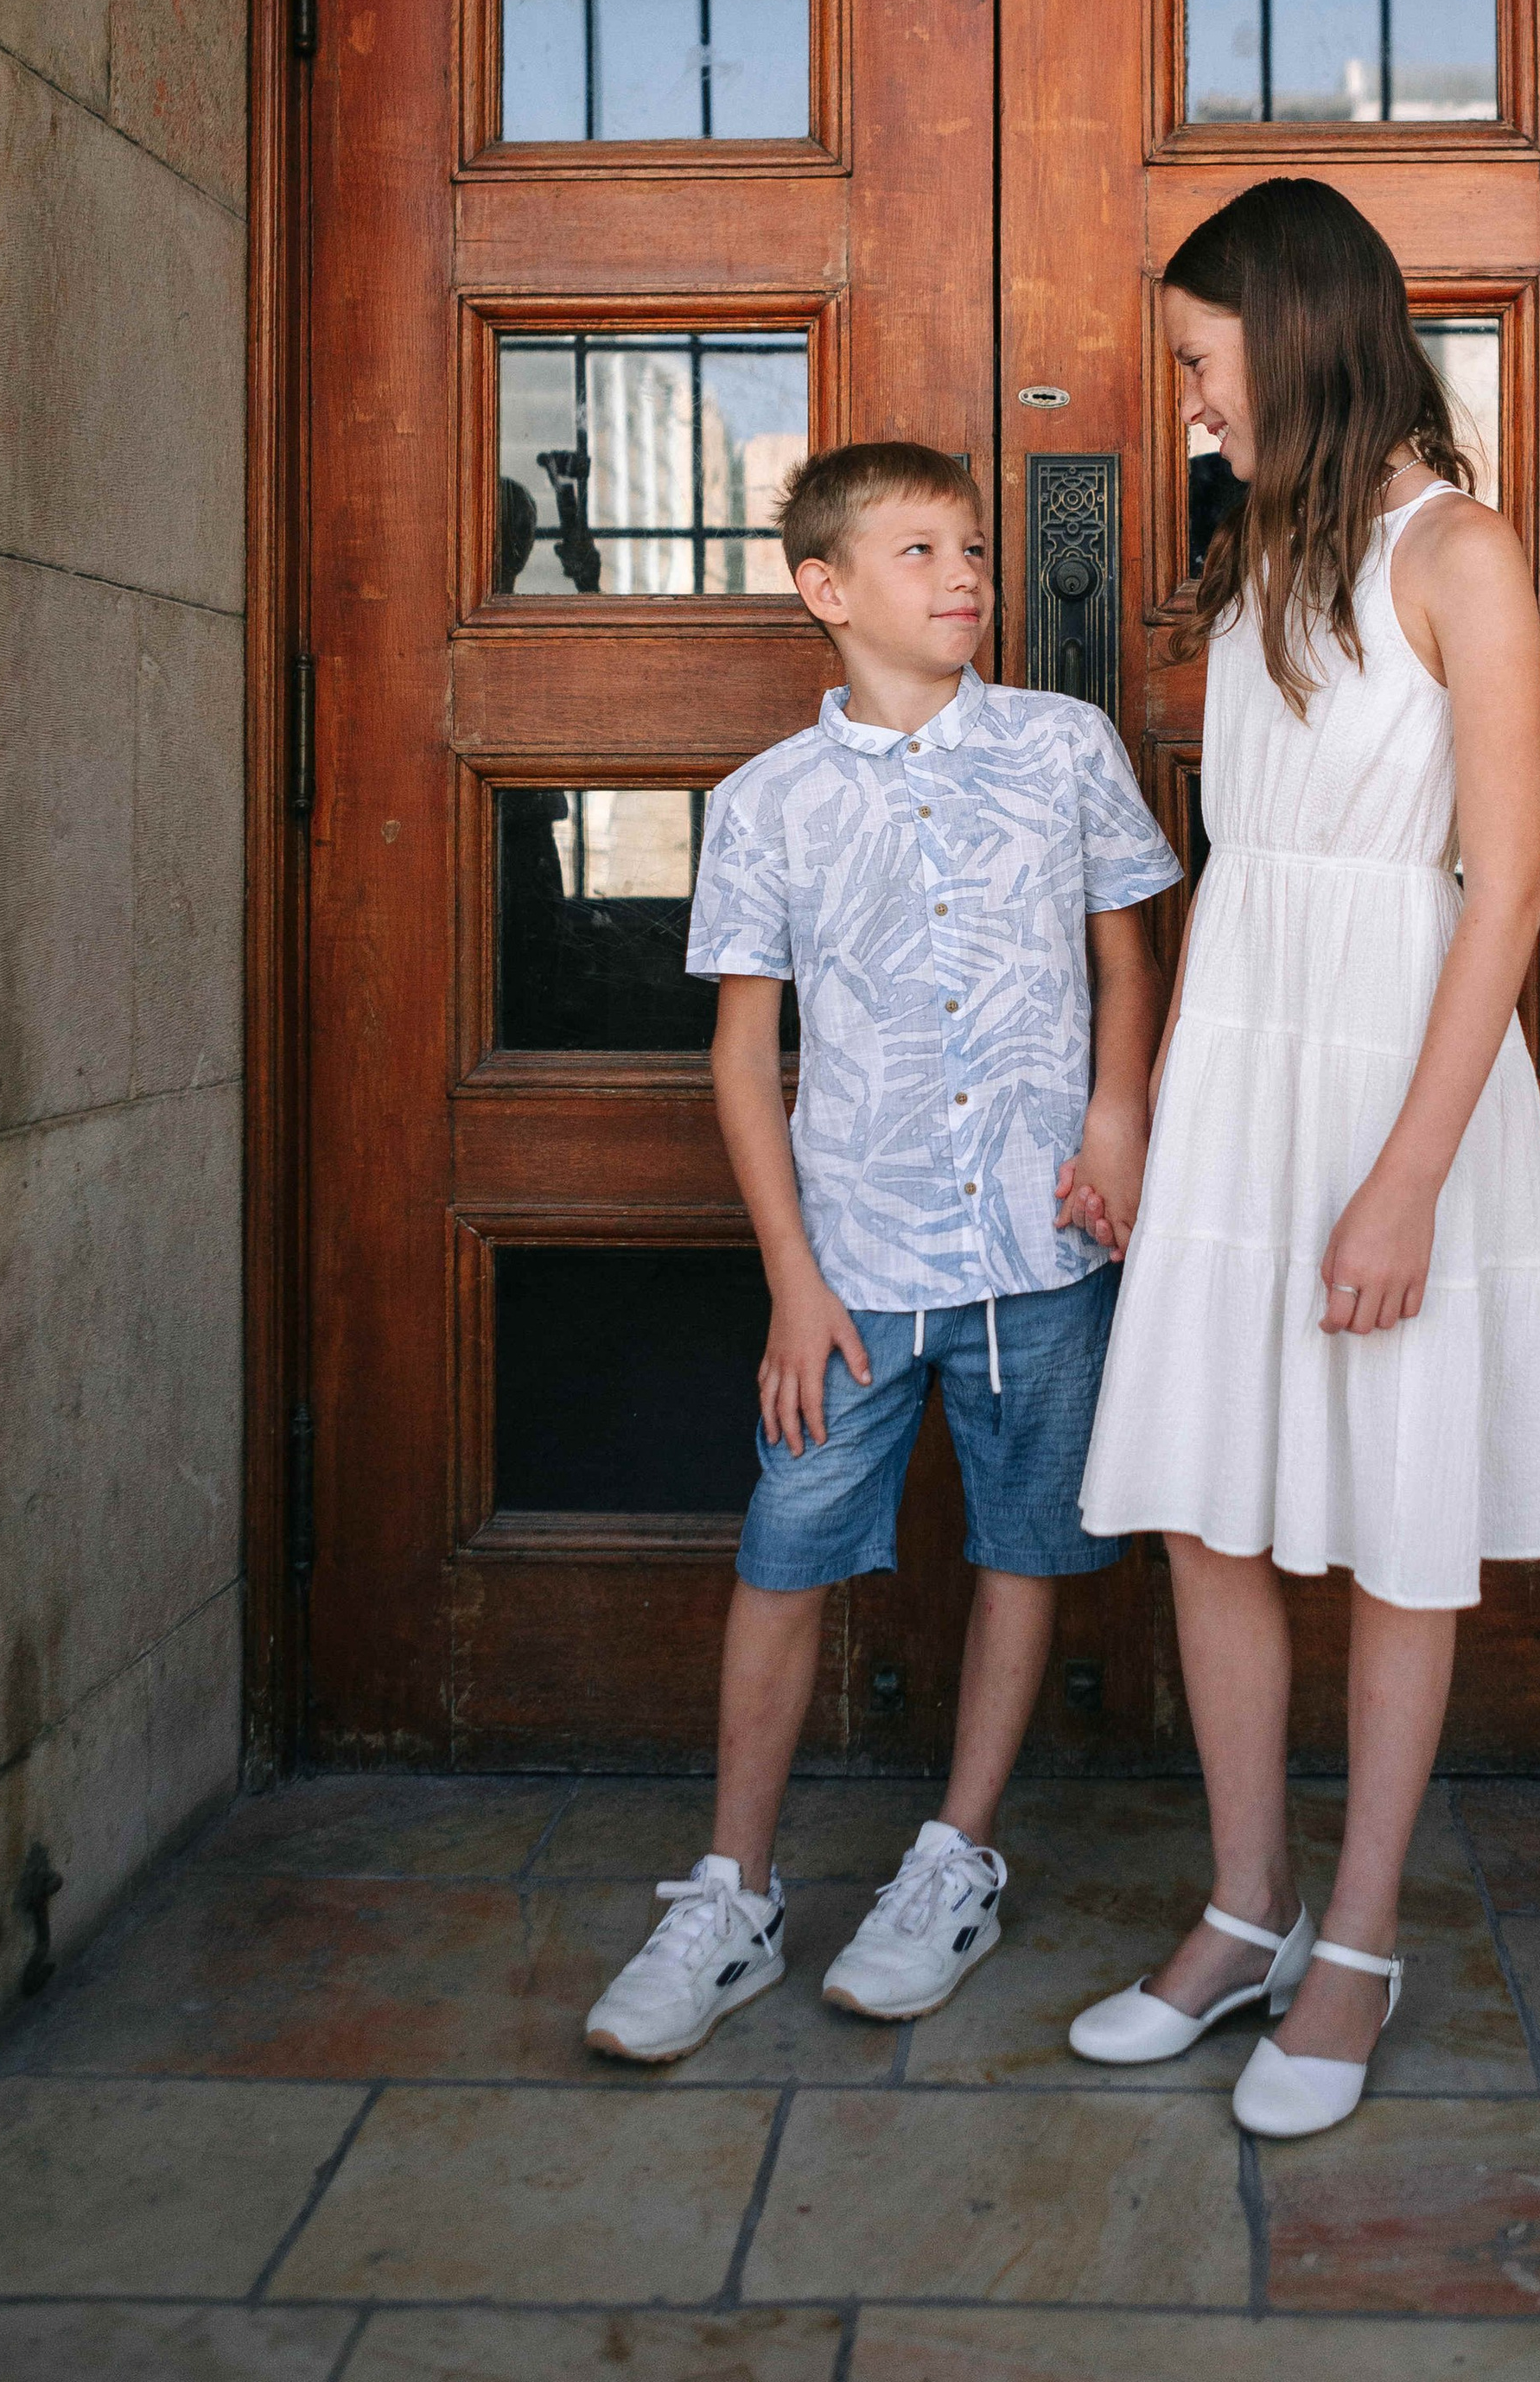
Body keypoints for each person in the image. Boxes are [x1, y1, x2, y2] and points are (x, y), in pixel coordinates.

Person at [1072, 179, 1540, 2141]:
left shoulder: (1454, 548)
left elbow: (1511, 886)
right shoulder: (1260, 558)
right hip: (1238, 1063)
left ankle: (1357, 1941)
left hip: (1400, 1070)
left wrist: (1401, 1175)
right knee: (1209, 1495)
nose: (1190, 401)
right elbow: (1240, 860)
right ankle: (1241, 1907)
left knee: (1386, 1509)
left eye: (1203, 360)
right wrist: (1146, 1102)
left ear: (1291, 337)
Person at [585, 440, 1180, 2063]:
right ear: (827, 590)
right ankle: (733, 1892)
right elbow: (739, 1054)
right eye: (921, 551)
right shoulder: (767, 803)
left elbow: (1127, 964)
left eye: (974, 547)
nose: (967, 575)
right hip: (852, 1263)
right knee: (789, 1545)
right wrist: (792, 1275)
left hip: (1043, 1251)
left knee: (1022, 1543)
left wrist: (1117, 1120)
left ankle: (954, 1857)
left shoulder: (1063, 751)